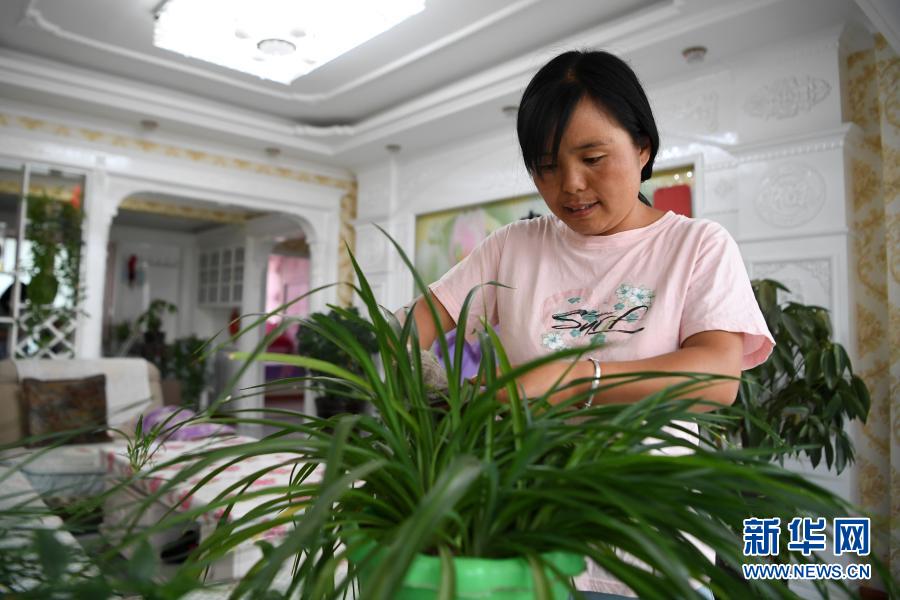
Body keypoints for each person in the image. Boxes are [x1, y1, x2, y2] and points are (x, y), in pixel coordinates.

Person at [403, 50, 774, 596]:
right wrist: (432, 393)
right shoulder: (514, 247)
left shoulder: (696, 245)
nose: (571, 184)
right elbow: (412, 327)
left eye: (593, 157)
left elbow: (717, 376)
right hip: (524, 534)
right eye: (547, 166)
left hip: (647, 545)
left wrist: (580, 379)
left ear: (643, 147)